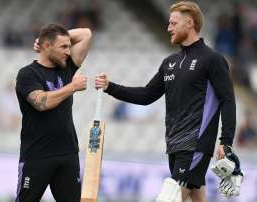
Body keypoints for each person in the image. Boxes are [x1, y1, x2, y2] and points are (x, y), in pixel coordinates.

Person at [95, 1, 236, 202]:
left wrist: (226, 142)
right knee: (195, 196)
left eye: (173, 23)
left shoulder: (212, 59)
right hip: (174, 145)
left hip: (195, 144)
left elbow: (228, 100)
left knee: (168, 199)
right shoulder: (169, 62)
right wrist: (110, 87)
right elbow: (146, 96)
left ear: (190, 23)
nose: (168, 28)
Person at [15, 24, 91, 202]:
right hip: (37, 156)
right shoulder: (27, 74)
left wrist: (49, 39)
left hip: (67, 154)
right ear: (48, 47)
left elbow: (86, 34)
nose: (68, 51)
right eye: (63, 47)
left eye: (69, 46)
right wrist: (72, 87)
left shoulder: (66, 67)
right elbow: (42, 103)